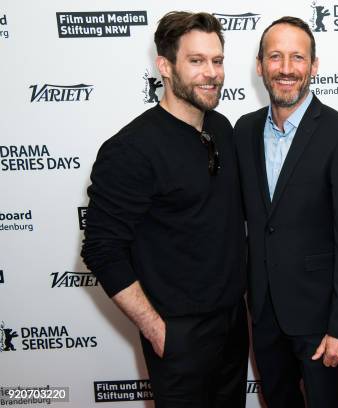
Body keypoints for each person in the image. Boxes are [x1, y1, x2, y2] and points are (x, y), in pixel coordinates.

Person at [81, 11, 247, 408]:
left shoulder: (222, 128)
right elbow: (101, 250)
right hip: (180, 335)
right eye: (196, 61)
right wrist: (157, 330)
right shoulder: (130, 149)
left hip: (233, 327)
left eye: (217, 60)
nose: (211, 73)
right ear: (165, 67)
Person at [233, 16, 338, 408]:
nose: (286, 68)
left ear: (313, 66)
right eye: (275, 56)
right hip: (263, 314)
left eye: (298, 57)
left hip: (321, 322)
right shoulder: (242, 131)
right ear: (260, 66)